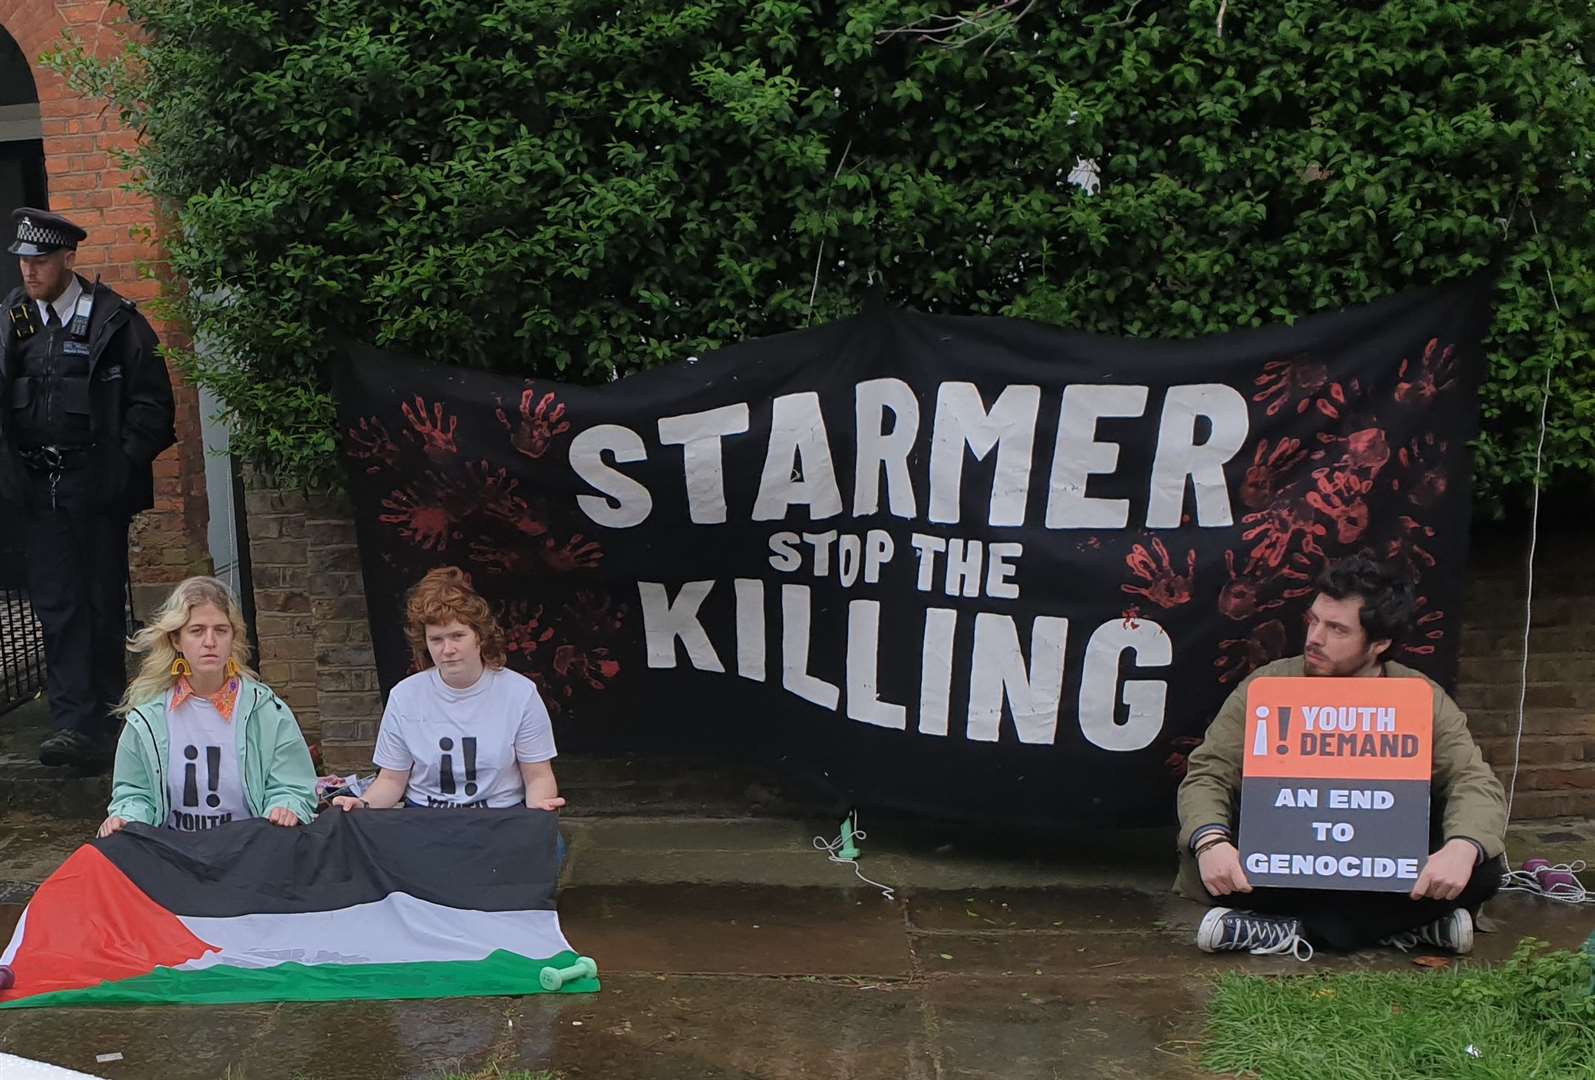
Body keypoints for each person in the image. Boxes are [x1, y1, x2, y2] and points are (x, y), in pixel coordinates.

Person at [1176, 552, 1506, 959]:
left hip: (1379, 865)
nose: (1314, 638)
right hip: (1286, 860)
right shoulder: (1268, 685)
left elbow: (1472, 780)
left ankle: (1285, 932)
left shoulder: (1420, 697)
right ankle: (1409, 928)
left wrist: (1461, 847)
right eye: (1313, 620)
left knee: (1484, 864)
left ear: (1380, 644)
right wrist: (1211, 842)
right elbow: (1209, 771)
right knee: (1204, 858)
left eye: (1336, 629)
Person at [0, 207, 176, 769]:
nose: (30, 271)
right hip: (36, 485)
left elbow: (153, 405)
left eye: (41, 261)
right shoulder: (11, 318)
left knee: (101, 601)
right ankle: (71, 724)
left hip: (94, 485)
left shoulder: (114, 320)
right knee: (56, 604)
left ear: (68, 259)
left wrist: (120, 465)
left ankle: (107, 719)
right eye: (24, 260)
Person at [333, 566, 564, 816]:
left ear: (480, 636)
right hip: (425, 820)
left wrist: (541, 808)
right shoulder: (405, 696)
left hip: (501, 819)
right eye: (436, 639)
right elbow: (391, 780)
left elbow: (538, 776)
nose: (447, 649)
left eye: (457, 636)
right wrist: (364, 803)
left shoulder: (520, 693)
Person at [99, 576, 317, 837]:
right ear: (176, 640)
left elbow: (293, 784)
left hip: (250, 852)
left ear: (233, 637)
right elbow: (134, 792)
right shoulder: (148, 716)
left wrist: (285, 806)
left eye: (221, 630)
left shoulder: (266, 710)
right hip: (175, 856)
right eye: (197, 630)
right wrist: (125, 818)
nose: (210, 641)